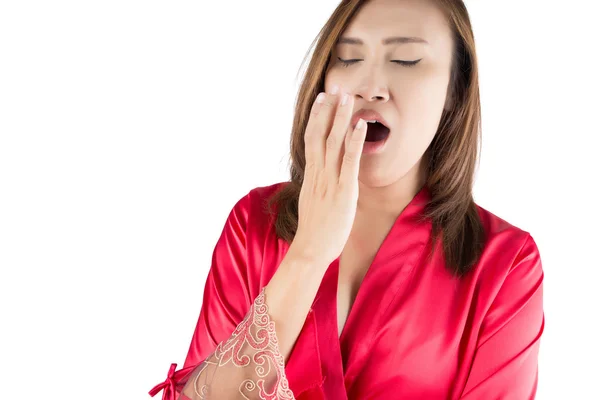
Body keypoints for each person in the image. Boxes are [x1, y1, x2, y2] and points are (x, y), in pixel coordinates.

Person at [148, 0, 545, 399]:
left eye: (406, 59)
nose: (368, 87)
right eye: (348, 58)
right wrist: (308, 254)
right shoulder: (254, 224)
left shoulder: (505, 264)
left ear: (454, 90)